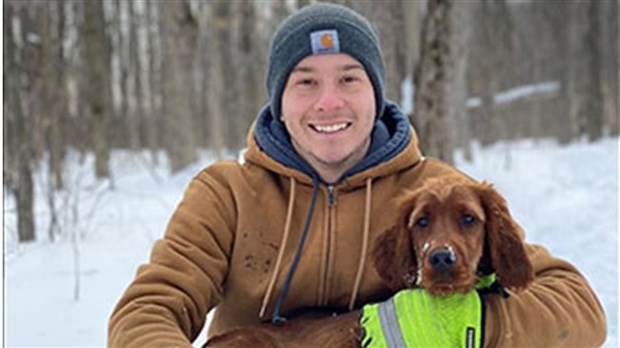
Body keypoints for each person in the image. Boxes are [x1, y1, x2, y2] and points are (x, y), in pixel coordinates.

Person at [108, 3, 606, 347]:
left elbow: (578, 306)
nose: (329, 101)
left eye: (349, 78)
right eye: (306, 82)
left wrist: (474, 324)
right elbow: (148, 308)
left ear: (376, 94)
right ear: (280, 101)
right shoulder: (226, 194)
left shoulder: (433, 189)